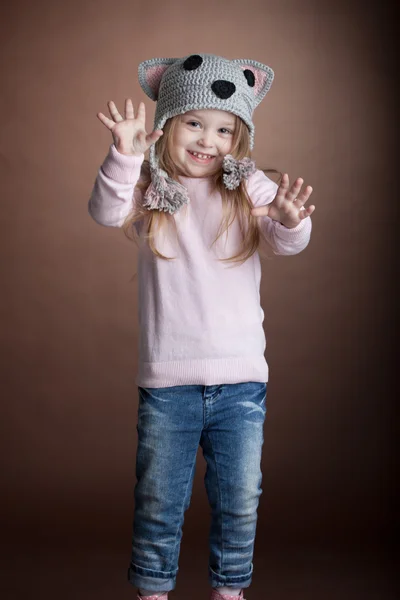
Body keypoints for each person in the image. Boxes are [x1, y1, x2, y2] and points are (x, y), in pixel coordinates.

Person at [88, 53, 315, 600]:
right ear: (167, 125)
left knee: (240, 499)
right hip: (168, 383)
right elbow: (105, 211)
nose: (207, 140)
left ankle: (229, 590)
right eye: (194, 123)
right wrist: (123, 155)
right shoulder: (150, 189)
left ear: (238, 139)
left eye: (223, 130)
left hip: (241, 380)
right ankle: (152, 590)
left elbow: (289, 241)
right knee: (160, 501)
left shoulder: (249, 186)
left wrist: (290, 219)